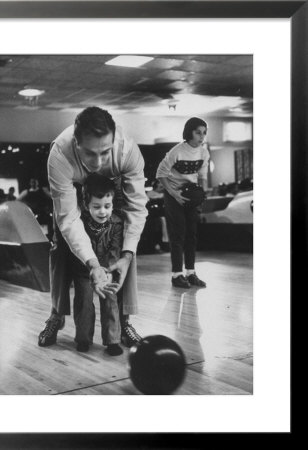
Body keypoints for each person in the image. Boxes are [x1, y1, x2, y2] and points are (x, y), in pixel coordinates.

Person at [38, 106, 148, 348]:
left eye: (105, 153)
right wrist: (93, 264)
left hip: (111, 189)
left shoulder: (128, 151)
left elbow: (137, 209)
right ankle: (56, 315)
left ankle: (124, 321)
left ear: (114, 140)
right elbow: (68, 219)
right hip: (75, 190)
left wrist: (127, 255)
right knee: (60, 246)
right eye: (90, 154)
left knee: (125, 248)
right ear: (76, 143)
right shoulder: (59, 154)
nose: (97, 163)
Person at [71, 174, 124, 356]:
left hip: (107, 270)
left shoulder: (116, 223)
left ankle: (112, 340)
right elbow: (77, 246)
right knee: (84, 302)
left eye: (107, 206)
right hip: (84, 271)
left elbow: (115, 250)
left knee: (110, 299)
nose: (103, 212)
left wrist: (108, 271)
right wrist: (91, 268)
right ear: (86, 206)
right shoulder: (79, 223)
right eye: (97, 207)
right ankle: (83, 339)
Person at [156, 117, 210, 289]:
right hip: (173, 194)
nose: (202, 137)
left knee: (192, 235)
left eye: (204, 133)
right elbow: (161, 174)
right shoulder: (176, 151)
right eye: (198, 132)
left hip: (190, 194)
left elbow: (202, 177)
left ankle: (190, 273)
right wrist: (174, 194)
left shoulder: (204, 153)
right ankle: (176, 275)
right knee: (177, 234)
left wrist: (201, 197)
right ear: (189, 132)